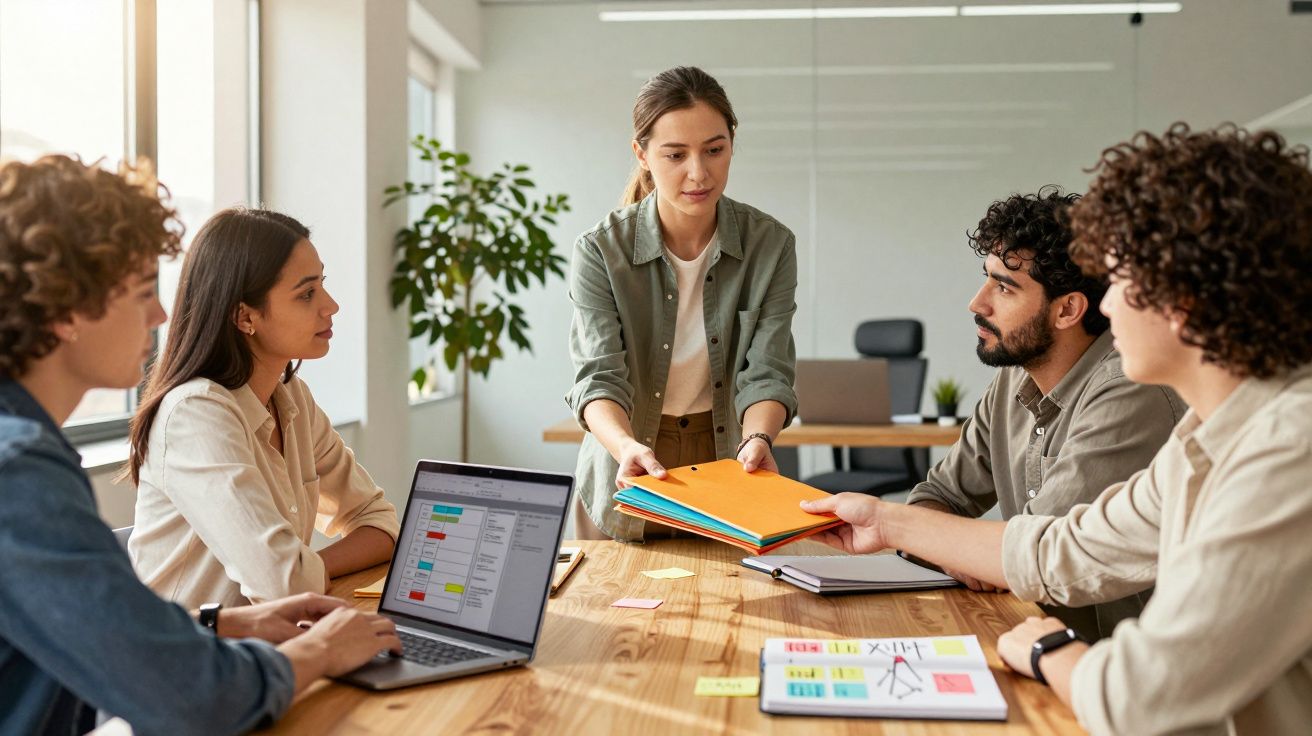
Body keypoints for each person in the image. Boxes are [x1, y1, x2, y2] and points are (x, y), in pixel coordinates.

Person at [801, 124, 1312, 734]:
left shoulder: (1288, 449)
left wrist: (1050, 650)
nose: (1109, 304)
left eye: (1121, 280)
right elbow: (1064, 548)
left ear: (1186, 300)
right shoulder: (1212, 434)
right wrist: (884, 521)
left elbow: (1139, 697)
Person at [0, 155, 400, 736]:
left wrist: (228, 626)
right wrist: (321, 651)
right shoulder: (20, 475)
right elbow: (189, 696)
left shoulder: (29, 453)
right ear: (67, 311)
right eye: (141, 291)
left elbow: (108, 637)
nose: (162, 312)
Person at [904, 187, 1186, 640]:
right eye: (987, 278)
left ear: (1068, 309)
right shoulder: (1014, 377)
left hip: (1111, 666)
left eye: (1004, 287)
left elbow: (1034, 556)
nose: (977, 303)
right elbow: (938, 497)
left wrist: (916, 534)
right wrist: (956, 551)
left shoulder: (1129, 391)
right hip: (1032, 635)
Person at [566, 66, 798, 542]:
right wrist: (625, 445)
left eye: (714, 150)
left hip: (728, 461)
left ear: (732, 144)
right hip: (625, 461)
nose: (699, 173)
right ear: (643, 154)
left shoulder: (770, 245)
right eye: (675, 154)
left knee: (729, 614)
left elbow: (767, 372)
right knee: (615, 611)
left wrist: (758, 439)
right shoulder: (600, 250)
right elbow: (598, 377)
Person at [126, 207, 399, 610]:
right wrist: (298, 576)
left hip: (273, 647)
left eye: (322, 285)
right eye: (307, 294)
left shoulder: (293, 398)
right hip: (192, 663)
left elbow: (381, 522)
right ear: (245, 316)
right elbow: (283, 585)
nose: (331, 305)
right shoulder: (195, 415)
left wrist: (310, 569)